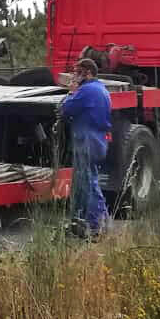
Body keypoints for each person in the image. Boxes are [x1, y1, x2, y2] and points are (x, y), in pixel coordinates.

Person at [60, 56, 112, 238]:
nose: (75, 76)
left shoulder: (87, 91)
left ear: (88, 73)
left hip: (87, 140)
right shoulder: (102, 89)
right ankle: (93, 223)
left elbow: (66, 109)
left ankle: (95, 226)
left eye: (78, 73)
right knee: (90, 182)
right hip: (98, 140)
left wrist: (71, 92)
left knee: (87, 183)